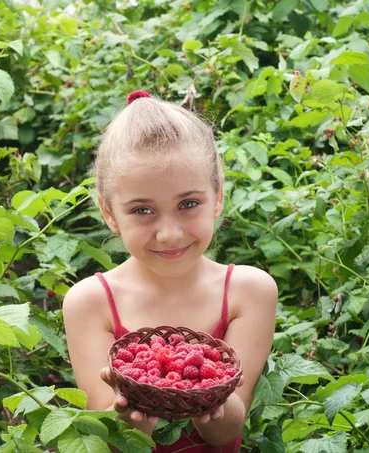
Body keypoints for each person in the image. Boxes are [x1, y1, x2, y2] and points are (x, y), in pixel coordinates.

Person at [62, 90, 277, 452]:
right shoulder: (89, 302)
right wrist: (129, 414)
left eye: (188, 204)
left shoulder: (249, 292)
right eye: (142, 211)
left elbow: (226, 434)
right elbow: (113, 446)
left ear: (218, 196)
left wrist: (210, 397)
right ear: (109, 213)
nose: (169, 234)